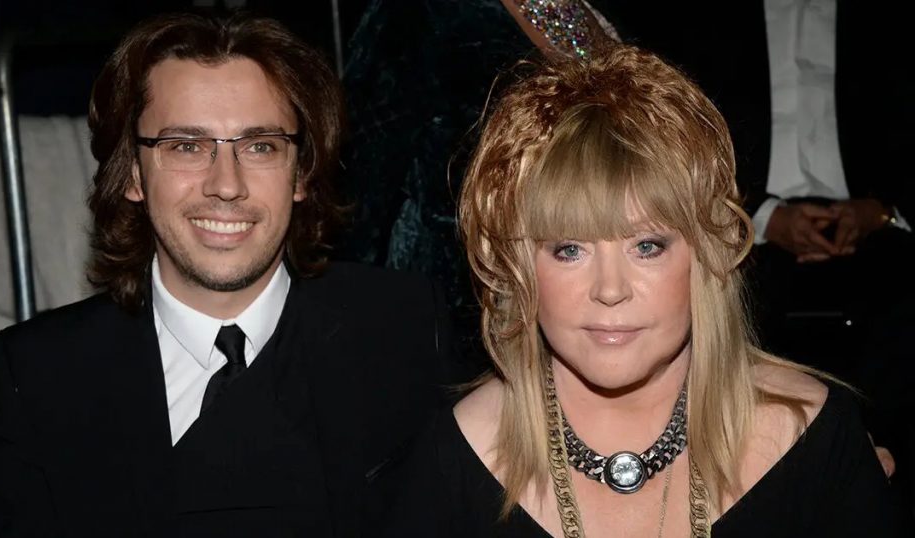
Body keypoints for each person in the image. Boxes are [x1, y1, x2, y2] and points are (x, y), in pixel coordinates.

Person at [381, 46, 906, 536]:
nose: (610, 290)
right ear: (516, 266)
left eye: (647, 246)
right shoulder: (455, 457)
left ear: (705, 253)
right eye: (569, 249)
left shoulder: (811, 435)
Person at [0, 13, 455, 536]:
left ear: (301, 173)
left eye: (260, 146)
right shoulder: (41, 375)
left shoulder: (404, 329)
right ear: (132, 172)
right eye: (186, 146)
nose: (226, 184)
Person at [338, 0, 616, 372]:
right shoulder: (413, 14)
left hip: (585, 297)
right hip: (457, 320)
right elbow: (357, 192)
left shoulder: (582, 11)